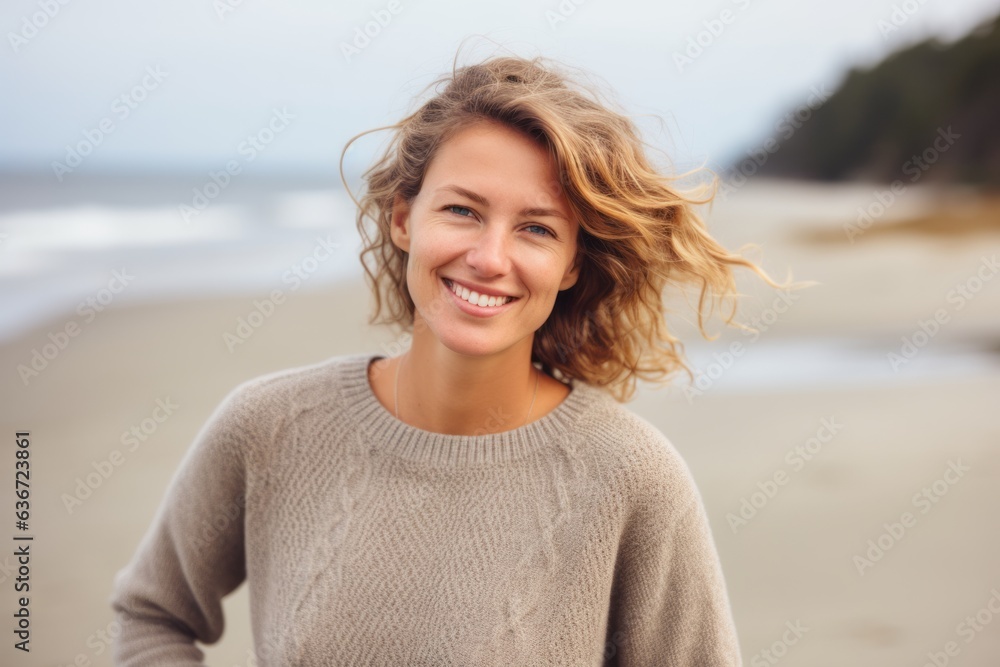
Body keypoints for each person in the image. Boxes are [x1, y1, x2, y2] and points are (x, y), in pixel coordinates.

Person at [110, 48, 798, 665]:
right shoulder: (269, 426)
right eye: (463, 211)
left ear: (568, 265)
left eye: (535, 228)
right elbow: (152, 614)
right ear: (404, 218)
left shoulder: (632, 478)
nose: (489, 258)